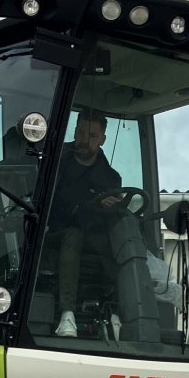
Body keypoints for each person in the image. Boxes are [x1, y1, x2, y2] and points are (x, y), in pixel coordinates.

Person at [50, 112, 125, 337]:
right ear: (74, 132)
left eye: (92, 135)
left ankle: (118, 312)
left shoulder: (111, 179)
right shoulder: (54, 161)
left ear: (102, 139)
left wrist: (111, 208)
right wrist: (87, 202)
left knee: (120, 238)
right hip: (52, 232)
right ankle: (67, 315)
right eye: (80, 133)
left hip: (94, 236)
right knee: (74, 236)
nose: (84, 140)